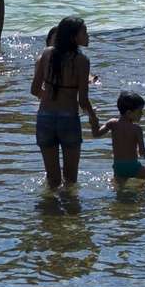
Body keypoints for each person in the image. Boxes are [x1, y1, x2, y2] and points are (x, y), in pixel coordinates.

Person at [31, 16, 97, 187]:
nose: (88, 35)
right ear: (73, 37)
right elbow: (82, 100)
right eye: (85, 32)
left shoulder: (46, 54)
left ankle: (50, 211)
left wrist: (51, 97)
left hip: (45, 118)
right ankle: (72, 211)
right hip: (68, 119)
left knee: (52, 180)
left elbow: (34, 90)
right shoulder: (82, 61)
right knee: (71, 180)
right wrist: (93, 117)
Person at [92, 90, 145, 182]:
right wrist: (142, 154)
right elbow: (142, 151)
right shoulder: (137, 129)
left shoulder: (112, 123)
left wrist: (94, 119)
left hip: (118, 167)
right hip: (133, 166)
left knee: (120, 192)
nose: (142, 114)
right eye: (140, 111)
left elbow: (96, 134)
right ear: (129, 113)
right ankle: (141, 191)